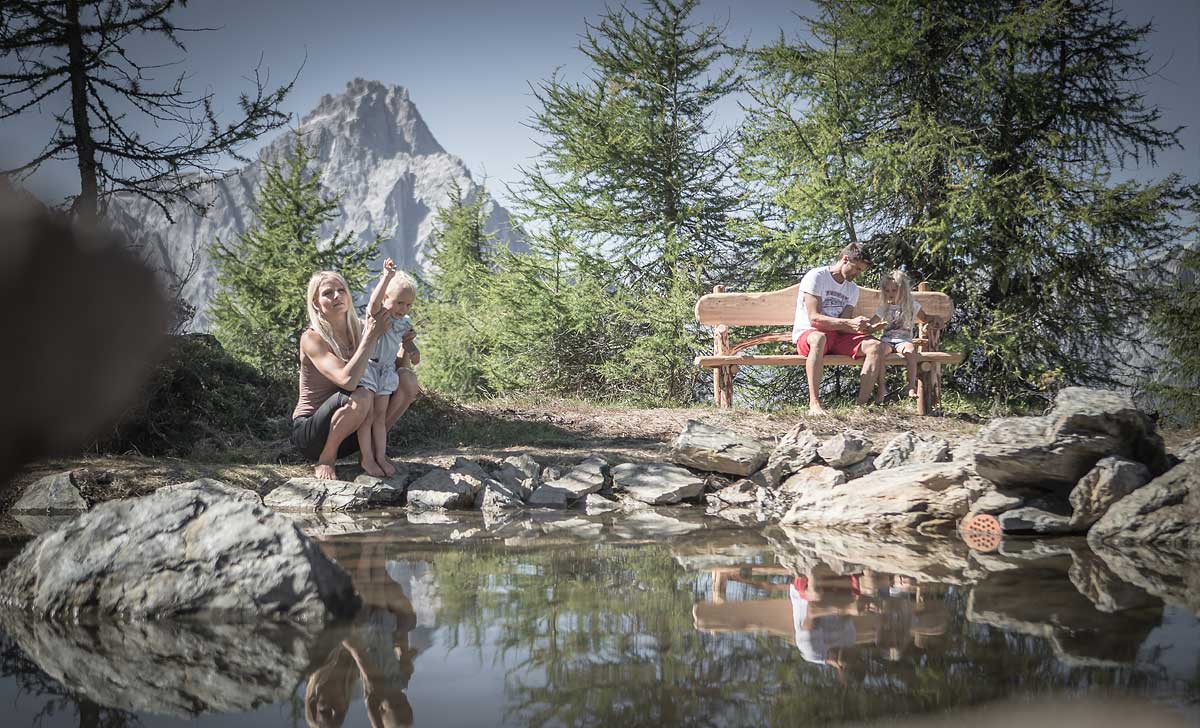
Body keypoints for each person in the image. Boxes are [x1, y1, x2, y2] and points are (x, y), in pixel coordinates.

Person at [291, 270, 389, 480]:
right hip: (311, 433)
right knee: (362, 394)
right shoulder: (312, 338)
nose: (337, 296)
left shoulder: (359, 328)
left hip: (349, 429)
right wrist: (371, 335)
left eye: (341, 290)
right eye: (328, 293)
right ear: (316, 303)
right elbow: (347, 380)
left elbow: (389, 363)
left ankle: (371, 451)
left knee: (405, 381)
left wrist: (407, 347)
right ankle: (326, 458)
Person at [791, 243, 884, 414]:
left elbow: (844, 323)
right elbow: (815, 319)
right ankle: (814, 404)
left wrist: (865, 328)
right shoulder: (816, 277)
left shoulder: (852, 289)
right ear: (845, 259)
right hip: (809, 335)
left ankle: (861, 407)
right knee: (819, 337)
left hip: (836, 336)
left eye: (861, 271)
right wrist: (849, 324)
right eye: (856, 269)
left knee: (875, 346)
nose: (858, 274)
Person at [360, 258, 420, 477]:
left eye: (408, 304)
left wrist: (413, 349)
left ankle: (380, 455)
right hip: (368, 369)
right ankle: (366, 458)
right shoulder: (378, 314)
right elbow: (373, 303)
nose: (403, 309)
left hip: (386, 371)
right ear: (386, 298)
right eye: (398, 303)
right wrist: (386, 277)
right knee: (366, 417)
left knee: (380, 415)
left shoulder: (404, 322)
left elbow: (407, 340)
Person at [870, 270, 944, 401]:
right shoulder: (884, 307)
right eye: (887, 291)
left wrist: (936, 319)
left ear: (902, 290)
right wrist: (871, 327)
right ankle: (881, 387)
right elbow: (872, 323)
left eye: (894, 290)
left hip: (903, 339)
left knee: (910, 351)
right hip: (887, 340)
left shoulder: (911, 305)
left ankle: (911, 386)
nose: (890, 294)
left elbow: (925, 317)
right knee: (879, 351)